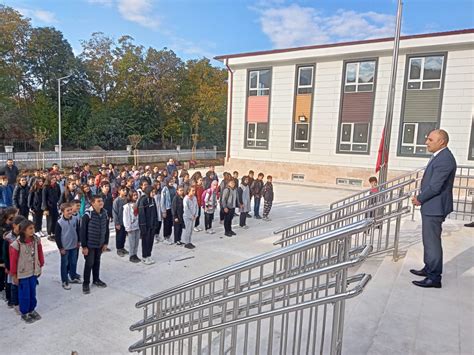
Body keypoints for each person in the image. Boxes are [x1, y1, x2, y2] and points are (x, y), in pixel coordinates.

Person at [410, 129, 457, 289]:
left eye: (430, 140)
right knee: (428, 241)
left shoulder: (445, 159)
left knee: (432, 243)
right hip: (431, 206)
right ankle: (428, 268)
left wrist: (419, 199)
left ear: (441, 141)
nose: (426, 142)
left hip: (435, 207)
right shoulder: (439, 155)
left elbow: (435, 187)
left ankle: (434, 277)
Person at [9, 220, 44, 323]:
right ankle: (25, 312)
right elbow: (13, 261)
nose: (33, 230)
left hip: (33, 271)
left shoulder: (36, 240)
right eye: (30, 228)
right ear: (23, 230)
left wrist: (40, 265)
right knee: (24, 293)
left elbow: (40, 252)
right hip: (22, 273)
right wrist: (14, 275)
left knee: (32, 292)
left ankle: (32, 309)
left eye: (33, 228)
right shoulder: (16, 244)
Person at [80, 195, 109, 294]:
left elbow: (107, 229)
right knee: (89, 263)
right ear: (93, 203)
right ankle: (86, 283)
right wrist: (84, 246)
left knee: (97, 262)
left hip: (100, 243)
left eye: (101, 201)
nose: (101, 202)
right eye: (98, 201)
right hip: (90, 245)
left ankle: (96, 279)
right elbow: (83, 231)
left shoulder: (104, 213)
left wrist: (105, 242)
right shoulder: (87, 215)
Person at [55, 203, 81, 290]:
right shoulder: (59, 223)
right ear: (62, 212)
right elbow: (57, 237)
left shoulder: (75, 219)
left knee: (73, 262)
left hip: (74, 246)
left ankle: (73, 277)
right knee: (64, 264)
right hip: (65, 248)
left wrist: (79, 241)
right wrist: (60, 248)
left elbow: (78, 230)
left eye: (70, 210)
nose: (70, 212)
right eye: (67, 210)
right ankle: (64, 281)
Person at [3, 215, 26, 313]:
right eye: (20, 226)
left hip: (22, 265)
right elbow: (5, 254)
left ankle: (20, 300)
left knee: (20, 283)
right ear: (14, 225)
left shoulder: (23, 236)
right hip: (11, 265)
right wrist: (8, 267)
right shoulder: (8, 239)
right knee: (12, 283)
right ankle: (13, 301)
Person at [138, 186, 158, 265]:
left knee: (150, 241)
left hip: (152, 224)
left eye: (154, 192)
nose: (154, 194)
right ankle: (144, 257)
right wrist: (143, 226)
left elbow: (155, 211)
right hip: (145, 225)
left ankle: (149, 255)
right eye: (152, 192)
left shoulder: (153, 200)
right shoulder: (143, 201)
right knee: (145, 241)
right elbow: (142, 215)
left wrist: (156, 222)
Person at [123, 190, 141, 263]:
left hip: (137, 226)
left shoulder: (137, 204)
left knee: (136, 242)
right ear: (130, 196)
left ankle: (135, 254)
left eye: (136, 195)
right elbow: (126, 217)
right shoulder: (127, 206)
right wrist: (128, 227)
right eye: (134, 195)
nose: (136, 196)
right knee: (132, 242)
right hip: (131, 227)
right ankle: (131, 255)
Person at [42, 176, 61, 241]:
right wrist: (45, 208)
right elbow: (44, 198)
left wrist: (58, 202)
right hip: (49, 206)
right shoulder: (46, 187)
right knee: (50, 221)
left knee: (55, 219)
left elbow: (59, 194)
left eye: (55, 179)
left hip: (55, 205)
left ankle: (54, 233)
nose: (54, 181)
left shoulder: (57, 186)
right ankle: (49, 234)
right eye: (52, 179)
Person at [113, 186, 129, 257]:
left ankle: (122, 247)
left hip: (126, 221)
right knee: (119, 236)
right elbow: (114, 212)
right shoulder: (116, 201)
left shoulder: (126, 199)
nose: (125, 191)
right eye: (123, 190)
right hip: (119, 222)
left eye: (125, 190)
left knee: (124, 235)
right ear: (119, 191)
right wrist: (117, 223)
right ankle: (119, 249)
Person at [161, 177, 176, 245]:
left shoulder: (174, 188)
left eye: (172, 181)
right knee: (166, 223)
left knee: (170, 223)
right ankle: (165, 237)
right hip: (167, 208)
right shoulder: (165, 189)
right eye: (170, 181)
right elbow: (162, 201)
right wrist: (163, 211)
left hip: (172, 208)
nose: (171, 182)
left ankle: (169, 236)